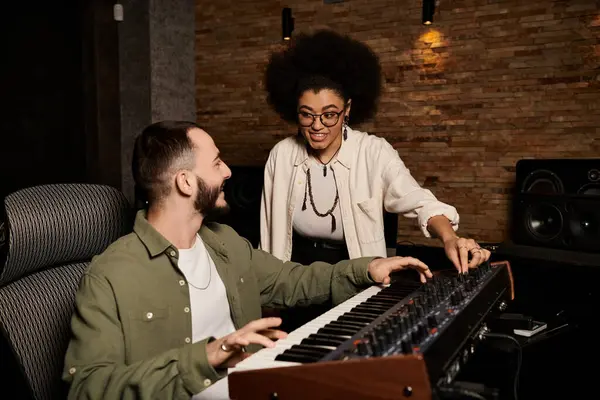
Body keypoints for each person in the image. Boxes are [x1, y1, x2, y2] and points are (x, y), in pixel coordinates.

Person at [61, 120, 434, 399]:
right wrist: (210, 355)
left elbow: (292, 281)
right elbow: (86, 388)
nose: (228, 172)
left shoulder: (225, 243)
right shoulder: (110, 275)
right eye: (217, 162)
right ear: (186, 183)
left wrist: (368, 267)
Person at [260, 29, 491, 274]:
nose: (317, 125)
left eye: (329, 115)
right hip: (297, 272)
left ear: (347, 109)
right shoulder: (282, 155)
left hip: (358, 269)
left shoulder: (373, 152)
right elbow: (268, 229)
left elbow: (419, 201)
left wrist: (449, 238)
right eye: (307, 114)